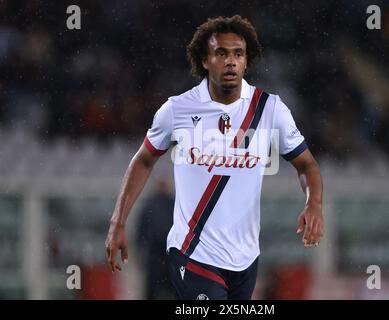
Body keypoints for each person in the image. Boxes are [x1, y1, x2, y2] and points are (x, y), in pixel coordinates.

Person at [105, 15, 324, 300]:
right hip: (191, 253)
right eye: (221, 53)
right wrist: (118, 222)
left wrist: (314, 203)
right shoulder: (177, 110)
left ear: (247, 61)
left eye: (238, 54)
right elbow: (144, 160)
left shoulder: (270, 109)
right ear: (205, 60)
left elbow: (306, 163)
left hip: (245, 258)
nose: (230, 61)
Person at [135, 178, 175, 299]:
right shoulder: (150, 205)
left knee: (174, 288)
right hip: (155, 255)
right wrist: (139, 250)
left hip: (170, 254)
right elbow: (141, 229)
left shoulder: (174, 203)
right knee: (152, 289)